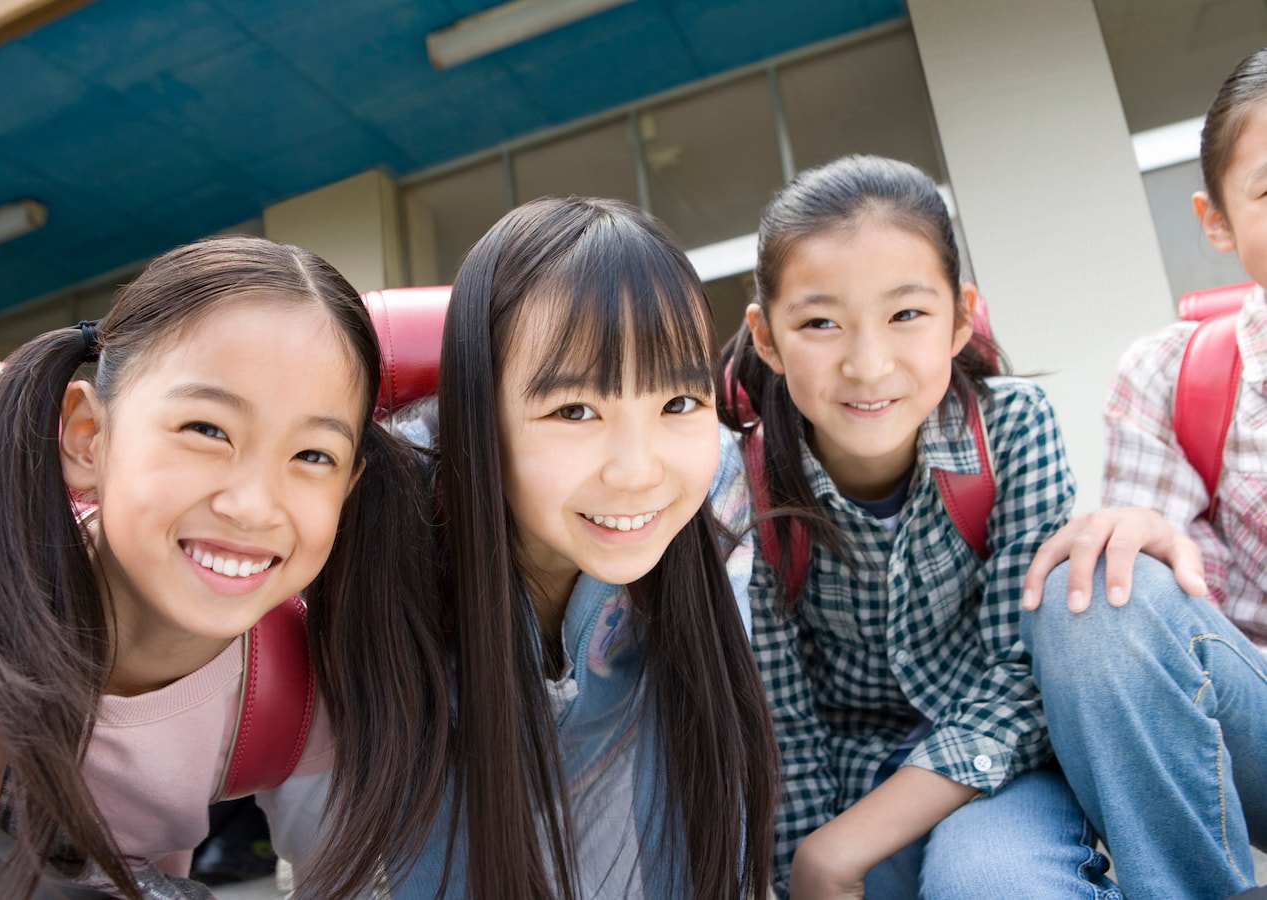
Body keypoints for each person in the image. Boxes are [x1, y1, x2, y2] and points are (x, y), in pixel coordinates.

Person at [274, 196, 779, 899]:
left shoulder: (717, 494)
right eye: (575, 410)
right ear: (477, 412)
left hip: (610, 792)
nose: (638, 470)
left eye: (676, 403)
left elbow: (710, 779)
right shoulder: (375, 531)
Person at [0, 236, 450, 900]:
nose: (253, 507)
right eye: (206, 430)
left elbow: (348, 882)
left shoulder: (294, 698)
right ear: (89, 437)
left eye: (313, 456)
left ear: (347, 486)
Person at [721, 154, 1125, 900]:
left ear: (960, 316)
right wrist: (805, 862)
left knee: (994, 887)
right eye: (819, 323)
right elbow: (780, 720)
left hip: (999, 771)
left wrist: (846, 845)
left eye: (905, 314)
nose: (868, 365)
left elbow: (1025, 674)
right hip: (839, 781)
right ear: (767, 338)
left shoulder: (1009, 430)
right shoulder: (743, 484)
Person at [1021, 47, 1267, 900]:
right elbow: (1153, 617)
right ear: (1217, 220)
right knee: (1093, 587)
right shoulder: (1177, 376)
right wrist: (1143, 537)